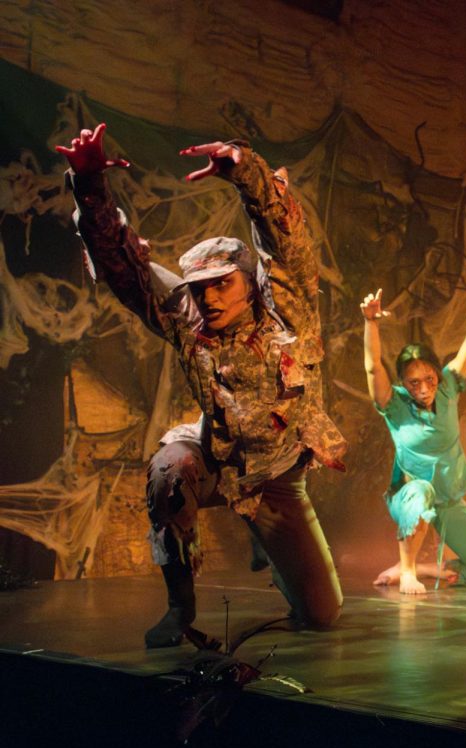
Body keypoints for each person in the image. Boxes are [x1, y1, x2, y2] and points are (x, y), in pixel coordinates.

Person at [58, 124, 345, 647]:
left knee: (322, 615)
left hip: (277, 476)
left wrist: (246, 173)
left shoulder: (288, 310)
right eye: (199, 289)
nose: (210, 299)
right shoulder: (185, 318)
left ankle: (273, 550)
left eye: (222, 285)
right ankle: (180, 607)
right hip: (216, 457)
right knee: (170, 472)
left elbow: (285, 242)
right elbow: (123, 267)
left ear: (247, 280)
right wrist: (89, 184)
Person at [361, 256, 466, 594]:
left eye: (428, 379)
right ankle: (408, 571)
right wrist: (371, 323)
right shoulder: (393, 405)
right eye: (413, 383)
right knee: (422, 490)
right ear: (403, 383)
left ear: (437, 375)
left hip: (447, 500)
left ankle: (423, 568)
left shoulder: (449, 387)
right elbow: (372, 370)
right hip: (410, 497)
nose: (423, 389)